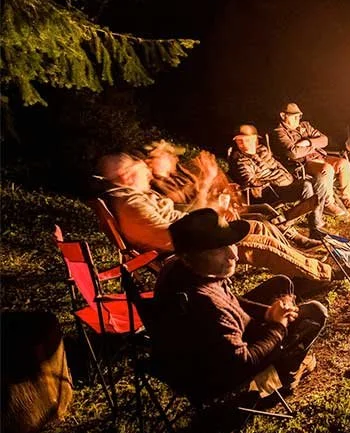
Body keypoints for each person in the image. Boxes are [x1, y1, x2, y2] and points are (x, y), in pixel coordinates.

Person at [151, 209, 327, 400]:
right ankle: (283, 376)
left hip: (201, 349)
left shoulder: (180, 268)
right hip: (217, 376)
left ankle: (282, 361)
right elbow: (244, 363)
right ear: (189, 256)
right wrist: (277, 327)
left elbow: (228, 298)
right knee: (315, 312)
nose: (233, 255)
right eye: (218, 249)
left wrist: (267, 312)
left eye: (230, 244)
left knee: (282, 284)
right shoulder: (207, 305)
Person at [98, 152, 335, 282]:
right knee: (263, 245)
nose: (148, 175)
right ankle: (325, 274)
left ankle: (302, 260)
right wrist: (212, 216)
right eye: (142, 171)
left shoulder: (136, 195)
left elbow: (178, 217)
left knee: (258, 227)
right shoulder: (132, 203)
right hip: (190, 249)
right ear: (126, 176)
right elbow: (170, 236)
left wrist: (213, 211)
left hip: (195, 234)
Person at [230, 124, 332, 236]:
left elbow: (278, 165)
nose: (243, 144)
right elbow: (249, 179)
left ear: (255, 140)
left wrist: (286, 175)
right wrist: (264, 182)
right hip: (268, 192)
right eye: (239, 141)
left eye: (247, 140)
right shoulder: (239, 159)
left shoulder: (263, 150)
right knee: (306, 186)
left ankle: (293, 220)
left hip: (283, 184)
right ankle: (311, 227)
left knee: (318, 182)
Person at [272, 102, 350, 212]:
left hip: (319, 156)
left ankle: (346, 198)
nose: (298, 119)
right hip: (303, 163)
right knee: (327, 169)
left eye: (299, 116)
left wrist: (308, 142)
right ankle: (328, 204)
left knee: (344, 163)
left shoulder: (305, 126)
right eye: (294, 116)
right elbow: (294, 153)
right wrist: (313, 146)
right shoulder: (280, 132)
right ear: (283, 115)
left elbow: (324, 140)